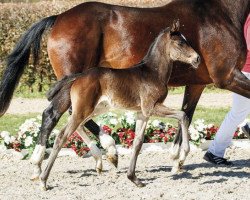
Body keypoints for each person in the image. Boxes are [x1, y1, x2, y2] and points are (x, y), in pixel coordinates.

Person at [204, 14, 250, 165]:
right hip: (247, 73)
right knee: (237, 113)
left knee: (237, 113)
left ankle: (215, 152)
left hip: (246, 71)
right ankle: (214, 152)